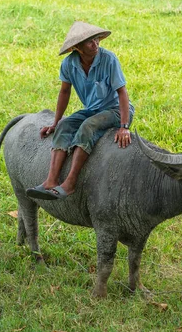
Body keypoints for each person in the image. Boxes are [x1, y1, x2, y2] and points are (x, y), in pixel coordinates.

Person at [26, 21, 134, 200]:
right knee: (65, 125)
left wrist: (124, 125)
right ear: (78, 47)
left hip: (115, 110)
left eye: (97, 40)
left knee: (88, 127)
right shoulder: (69, 64)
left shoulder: (109, 60)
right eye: (90, 42)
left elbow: (122, 92)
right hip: (92, 109)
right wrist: (55, 122)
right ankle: (51, 180)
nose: (96, 44)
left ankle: (70, 183)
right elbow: (65, 92)